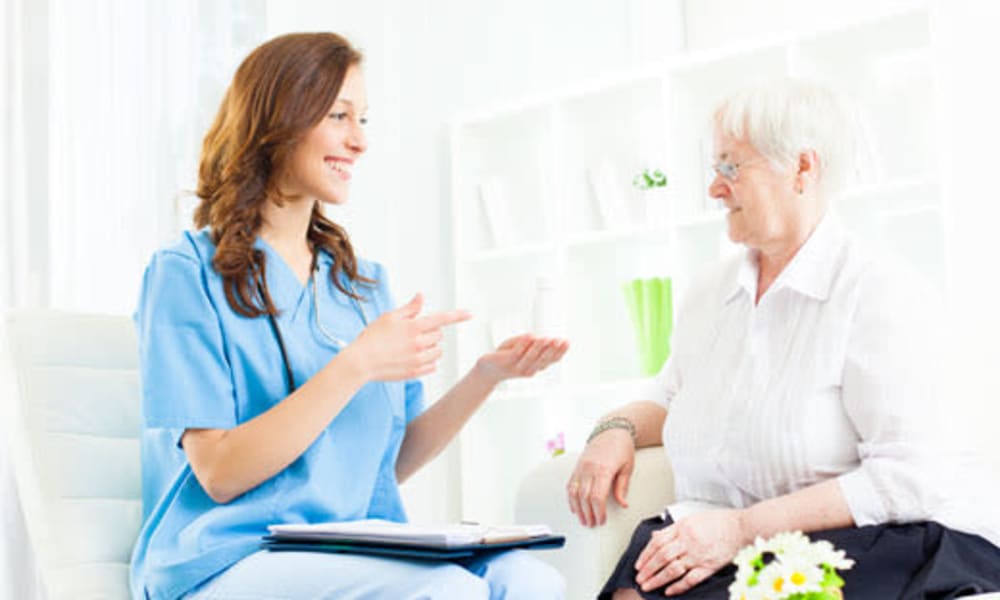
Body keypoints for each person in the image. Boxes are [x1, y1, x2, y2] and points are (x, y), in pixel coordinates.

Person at [129, 32, 569, 600]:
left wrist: (485, 378)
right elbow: (219, 473)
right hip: (227, 558)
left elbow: (388, 462)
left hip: (350, 546)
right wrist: (356, 363)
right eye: (340, 116)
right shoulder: (186, 273)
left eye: (363, 119)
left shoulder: (358, 283)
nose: (359, 141)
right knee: (446, 593)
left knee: (533, 581)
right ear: (278, 120)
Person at [566, 78, 1000, 599]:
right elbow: (670, 396)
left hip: (878, 536)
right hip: (725, 529)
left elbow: (909, 477)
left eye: (732, 167)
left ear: (802, 167)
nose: (715, 187)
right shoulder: (711, 293)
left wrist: (743, 528)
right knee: (633, 588)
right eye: (715, 168)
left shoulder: (879, 291)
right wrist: (614, 430)